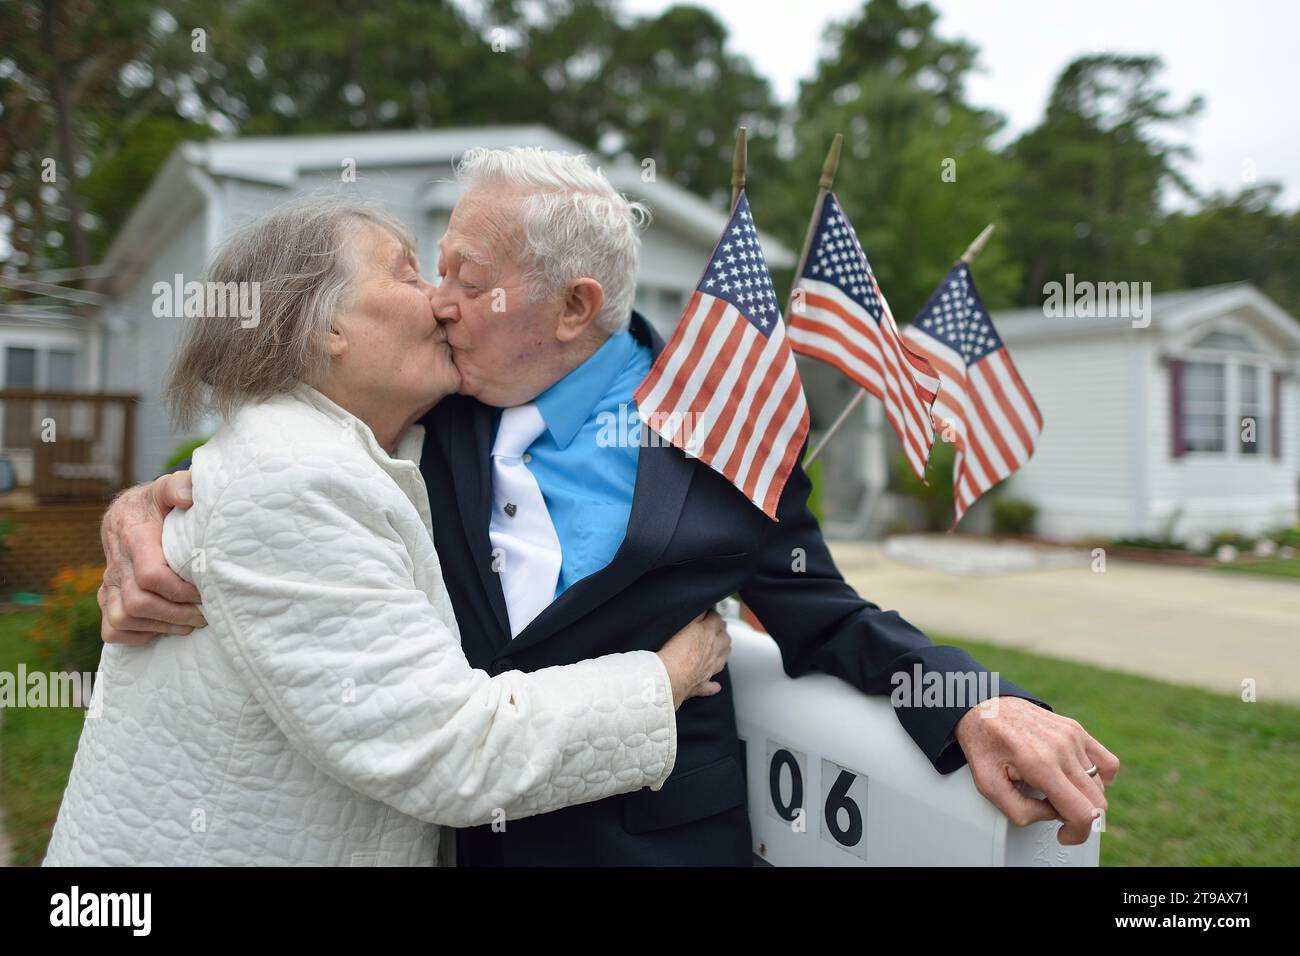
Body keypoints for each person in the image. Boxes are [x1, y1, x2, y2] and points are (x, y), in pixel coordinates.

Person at [98, 148, 1119, 866]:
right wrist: (144, 506)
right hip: (448, 842)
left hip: (655, 849)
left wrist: (977, 699)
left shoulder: (733, 433)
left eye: (465, 275)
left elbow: (829, 614)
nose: (440, 300)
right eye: (431, 271)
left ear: (574, 305)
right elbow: (278, 464)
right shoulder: (428, 409)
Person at [43, 197, 732, 867]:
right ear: (323, 327)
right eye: (408, 274)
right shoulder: (291, 479)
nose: (440, 300)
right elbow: (450, 750)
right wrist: (665, 678)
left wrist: (130, 503)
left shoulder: (367, 454)